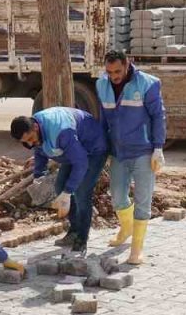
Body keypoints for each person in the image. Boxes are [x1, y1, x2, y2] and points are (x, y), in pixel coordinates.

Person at [96, 50, 166, 265]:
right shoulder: (101, 85)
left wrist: (158, 148)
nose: (114, 76)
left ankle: (137, 249)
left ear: (127, 65)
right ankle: (126, 228)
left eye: (118, 71)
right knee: (117, 197)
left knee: (143, 201)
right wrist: (102, 148)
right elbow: (103, 120)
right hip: (118, 152)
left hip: (143, 152)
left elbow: (158, 116)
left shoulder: (148, 84)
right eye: (109, 72)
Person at [10, 106, 109, 253]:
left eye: (30, 139)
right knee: (60, 186)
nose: (30, 144)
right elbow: (39, 150)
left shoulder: (61, 131)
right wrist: (39, 175)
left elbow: (81, 163)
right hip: (74, 150)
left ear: (36, 127)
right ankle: (74, 230)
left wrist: (68, 192)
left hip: (94, 148)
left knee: (81, 192)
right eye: (25, 143)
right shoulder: (34, 130)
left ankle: (82, 239)